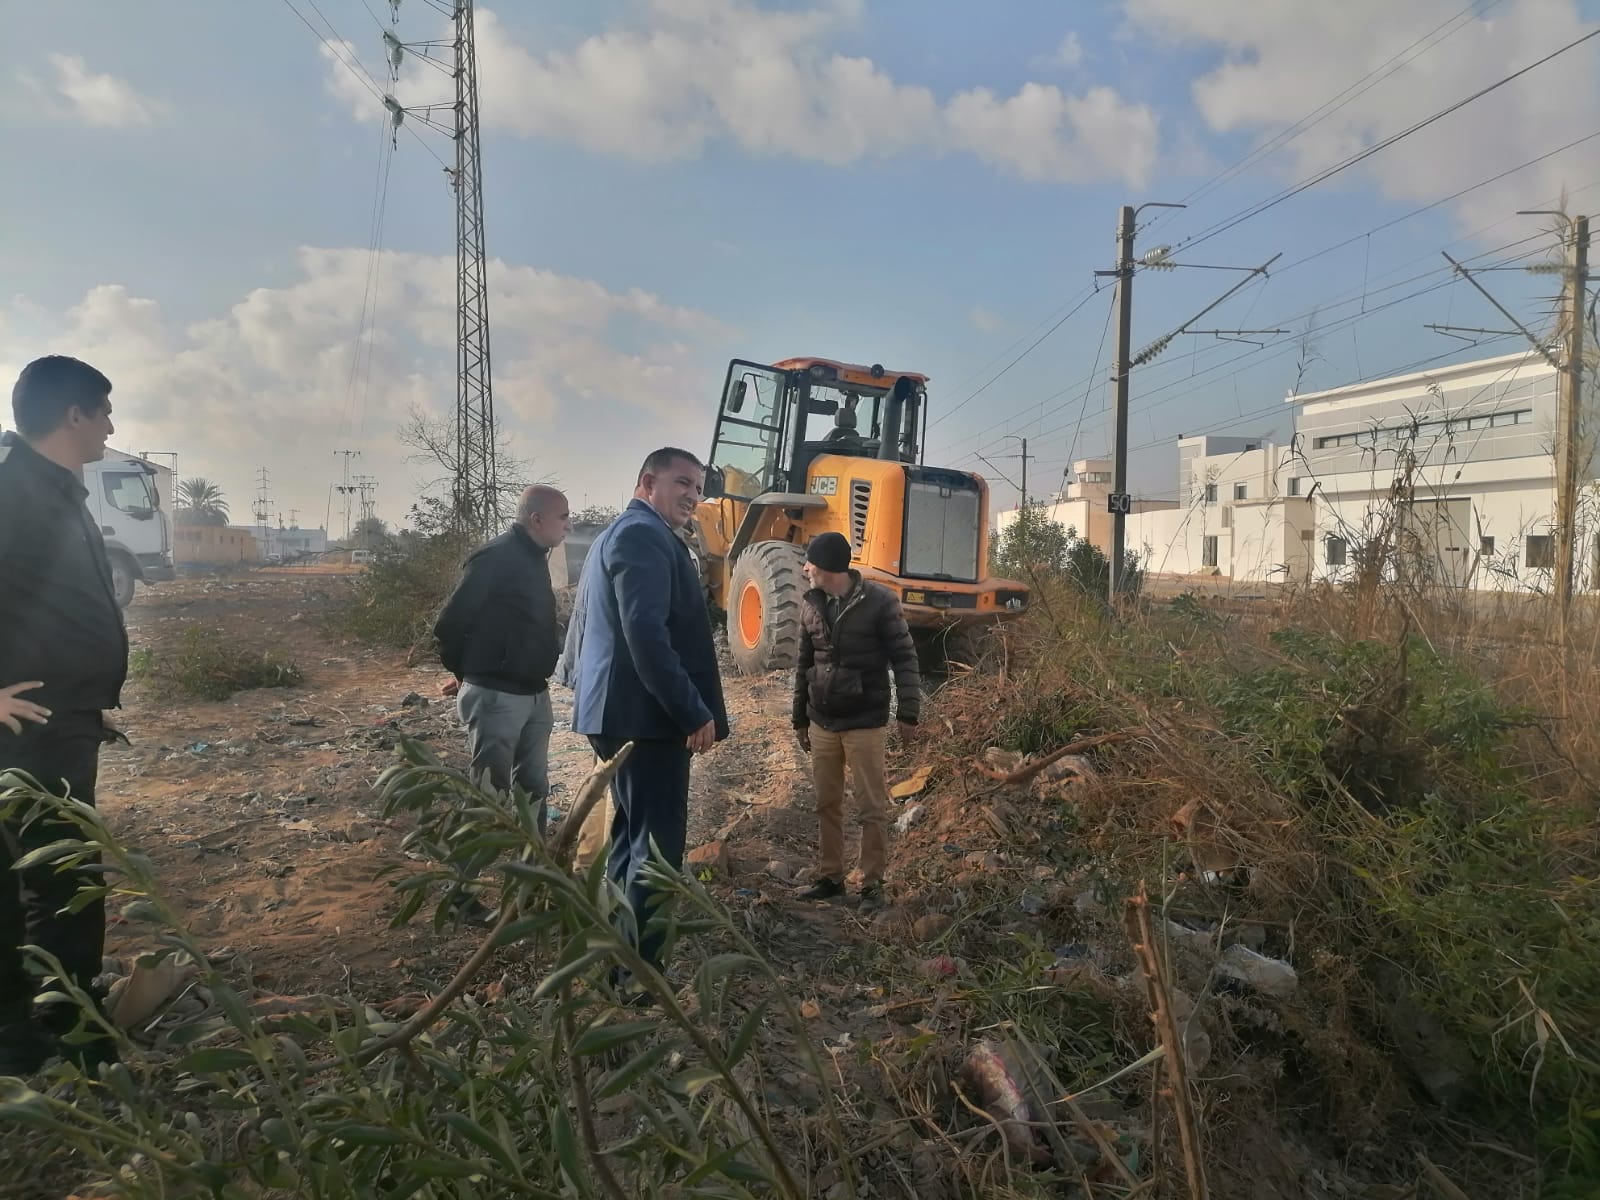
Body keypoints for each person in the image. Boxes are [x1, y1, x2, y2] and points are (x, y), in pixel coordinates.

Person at [0, 354, 128, 1075]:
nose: (111, 424)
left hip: (64, 719)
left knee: (57, 876)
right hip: (26, 728)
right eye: (104, 410)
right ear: (73, 414)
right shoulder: (13, 490)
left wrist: (87, 702)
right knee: (62, 879)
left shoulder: (57, 490)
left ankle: (50, 1027)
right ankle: (67, 1038)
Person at [569, 448, 728, 973]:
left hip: (622, 715)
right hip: (645, 719)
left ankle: (618, 960)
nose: (693, 496)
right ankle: (640, 975)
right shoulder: (642, 535)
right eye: (682, 482)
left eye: (698, 487)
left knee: (631, 839)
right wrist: (691, 711)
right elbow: (646, 636)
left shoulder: (624, 533)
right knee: (656, 851)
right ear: (647, 481)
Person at [792, 531, 920, 907]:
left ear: (829, 567)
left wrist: (908, 712)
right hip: (822, 721)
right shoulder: (811, 603)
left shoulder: (880, 601)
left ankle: (872, 885)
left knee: (871, 808)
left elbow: (905, 657)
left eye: (811, 563)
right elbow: (803, 664)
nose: (805, 568)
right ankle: (831, 879)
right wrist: (799, 718)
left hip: (864, 722)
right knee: (826, 804)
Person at [434, 485, 571, 826]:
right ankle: (475, 862)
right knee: (490, 794)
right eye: (563, 517)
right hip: (497, 695)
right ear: (537, 519)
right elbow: (450, 623)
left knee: (534, 789)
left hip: (534, 693)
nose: (569, 526)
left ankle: (533, 859)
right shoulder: (496, 557)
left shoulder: (535, 556)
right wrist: (467, 674)